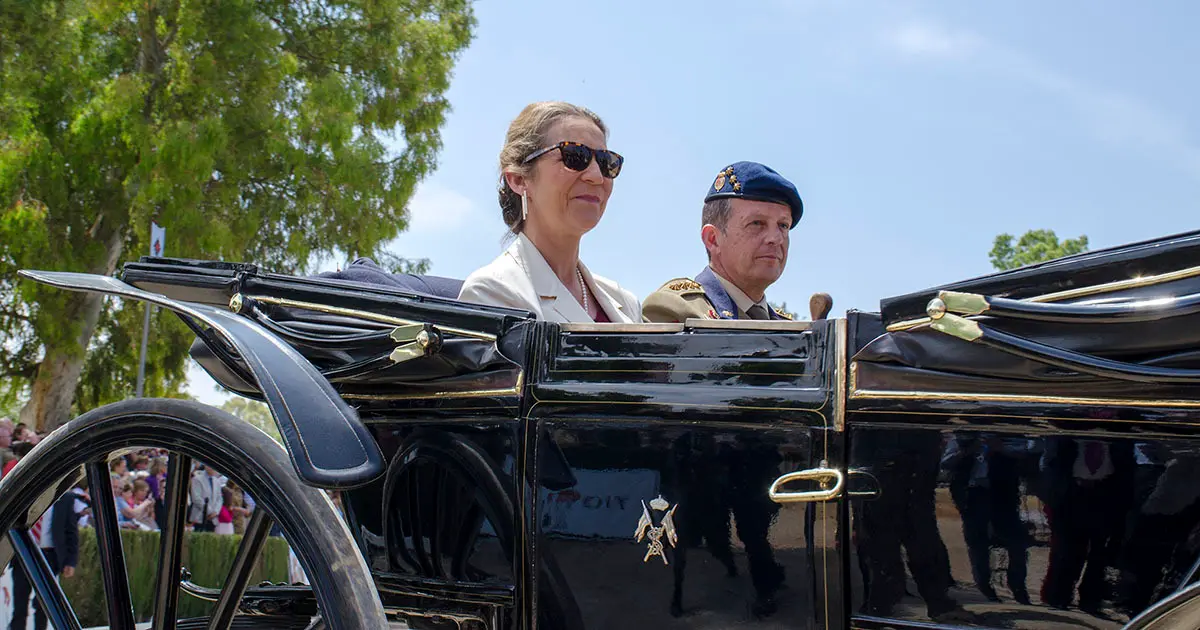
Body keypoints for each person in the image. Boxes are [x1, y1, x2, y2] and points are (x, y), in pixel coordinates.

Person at [457, 101, 641, 323]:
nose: (596, 176)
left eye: (606, 162)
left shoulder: (626, 303)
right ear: (519, 179)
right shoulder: (491, 293)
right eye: (574, 156)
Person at [643, 161, 827, 322]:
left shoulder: (790, 328)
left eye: (783, 225)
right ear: (713, 239)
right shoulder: (676, 310)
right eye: (757, 223)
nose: (775, 238)